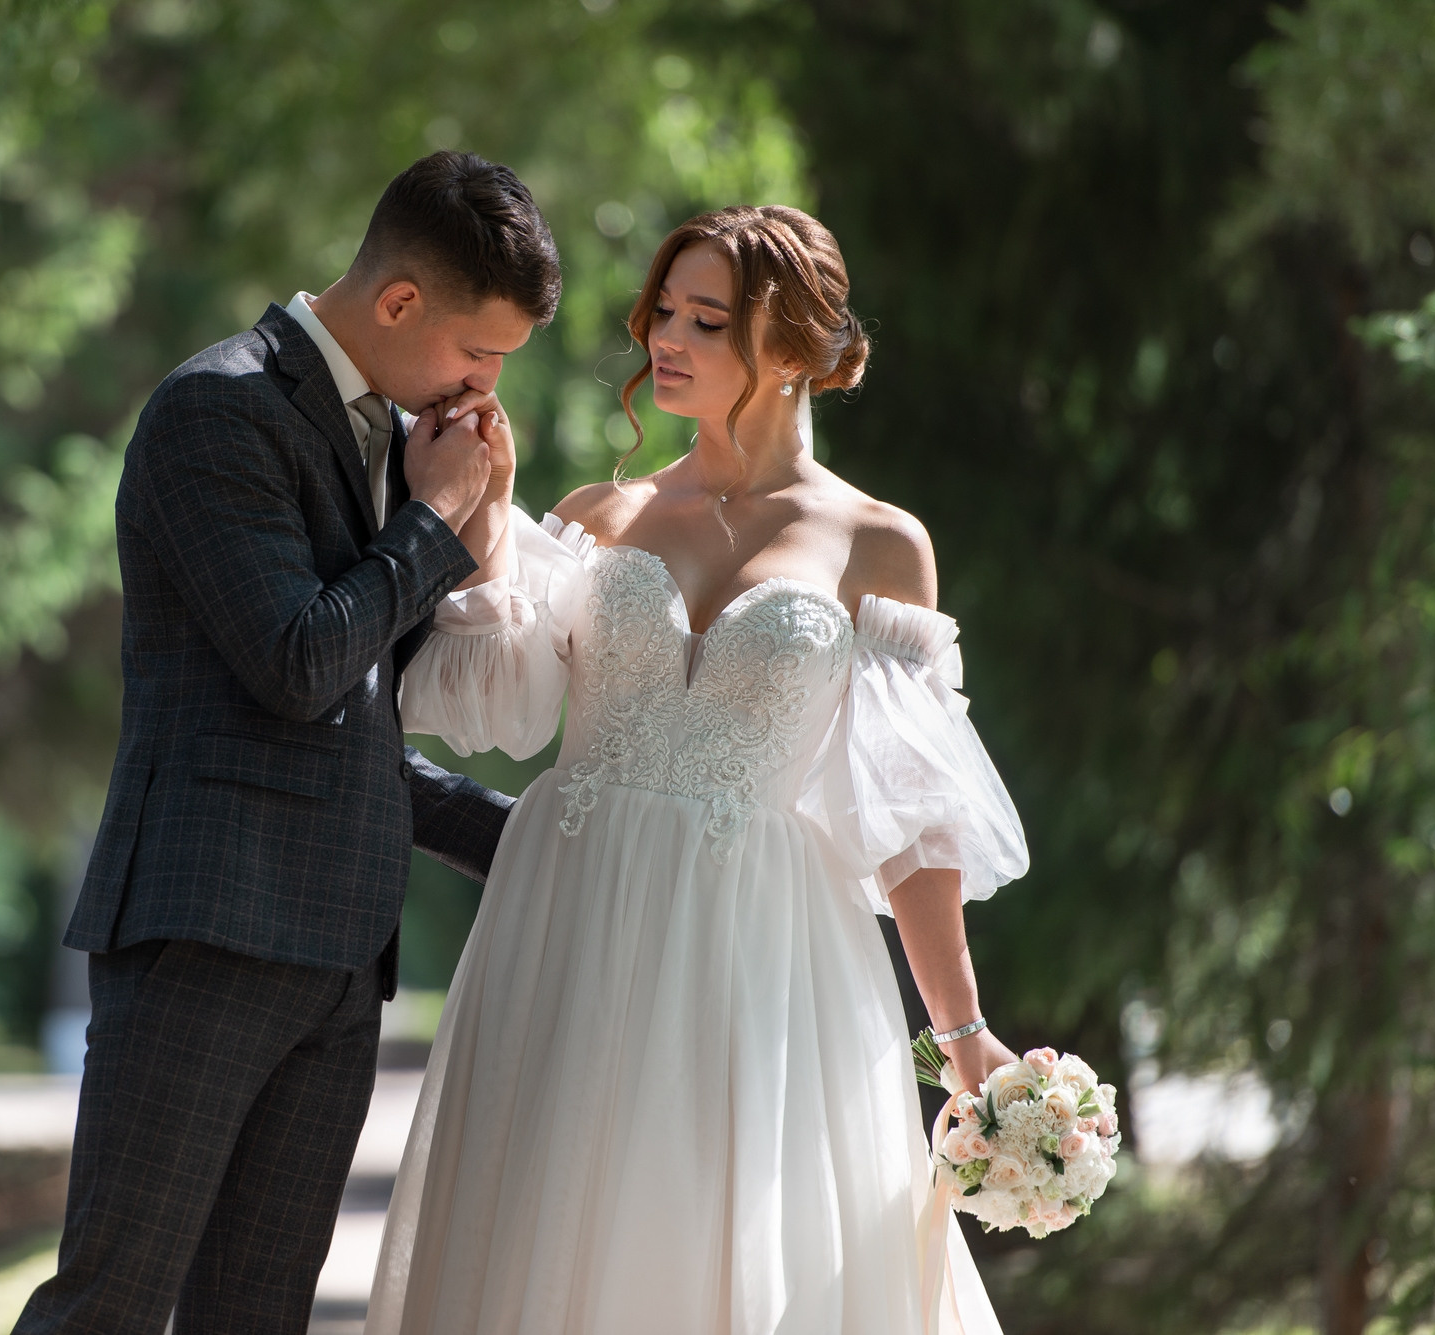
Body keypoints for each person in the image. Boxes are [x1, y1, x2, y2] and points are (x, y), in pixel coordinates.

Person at [372, 205, 1030, 1333]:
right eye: (662, 311)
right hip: (567, 921)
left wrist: (964, 1037)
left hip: (760, 956)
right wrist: (485, 521)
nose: (664, 338)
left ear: (789, 348)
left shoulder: (878, 544)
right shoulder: (600, 514)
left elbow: (909, 819)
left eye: (705, 320)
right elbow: (498, 711)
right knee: (548, 1235)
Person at [13, 151, 560, 1335]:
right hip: (206, 931)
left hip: (337, 961)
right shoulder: (216, 409)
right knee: (107, 1306)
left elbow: (357, 737)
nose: (484, 387)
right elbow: (301, 665)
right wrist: (431, 525)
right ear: (401, 303)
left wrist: (554, 843)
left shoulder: (386, 438)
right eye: (481, 353)